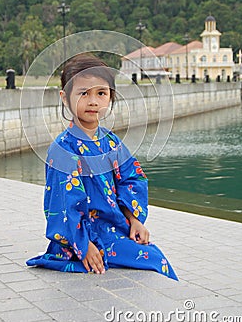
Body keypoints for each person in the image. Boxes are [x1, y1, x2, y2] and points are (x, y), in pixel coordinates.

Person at [26, 54, 178, 280]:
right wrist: (84, 245)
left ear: (110, 98)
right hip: (81, 238)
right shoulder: (62, 150)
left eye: (101, 93)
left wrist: (134, 220)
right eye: (83, 93)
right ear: (65, 98)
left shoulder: (112, 143)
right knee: (155, 260)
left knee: (155, 256)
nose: (93, 101)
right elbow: (63, 204)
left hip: (113, 228)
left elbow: (131, 179)